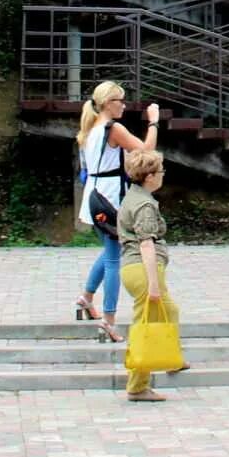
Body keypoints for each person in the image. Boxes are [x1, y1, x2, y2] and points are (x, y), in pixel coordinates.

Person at [74, 81, 158, 343]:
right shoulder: (113, 128)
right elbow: (146, 150)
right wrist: (153, 122)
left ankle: (86, 298)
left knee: (110, 251)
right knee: (114, 260)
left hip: (95, 195)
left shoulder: (92, 127)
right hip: (109, 197)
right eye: (119, 100)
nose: (123, 104)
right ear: (107, 103)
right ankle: (108, 321)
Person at [118, 148, 179, 402]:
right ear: (150, 176)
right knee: (144, 325)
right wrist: (154, 282)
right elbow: (146, 244)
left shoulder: (134, 195)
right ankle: (137, 385)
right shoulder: (144, 205)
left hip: (135, 269)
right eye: (161, 171)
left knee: (169, 312)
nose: (163, 175)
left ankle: (172, 358)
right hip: (142, 270)